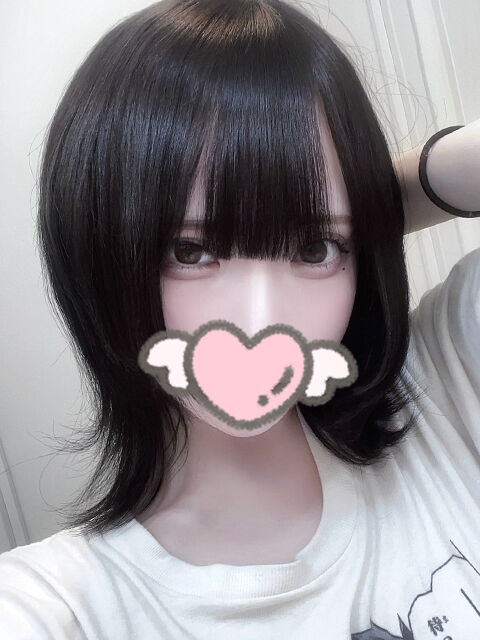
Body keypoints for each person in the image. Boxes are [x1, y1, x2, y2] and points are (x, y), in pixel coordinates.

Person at [1, 0, 479, 637]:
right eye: (190, 252)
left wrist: (368, 200)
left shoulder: (447, 384)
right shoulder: (56, 609)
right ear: (97, 252)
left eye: (315, 250)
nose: (261, 325)